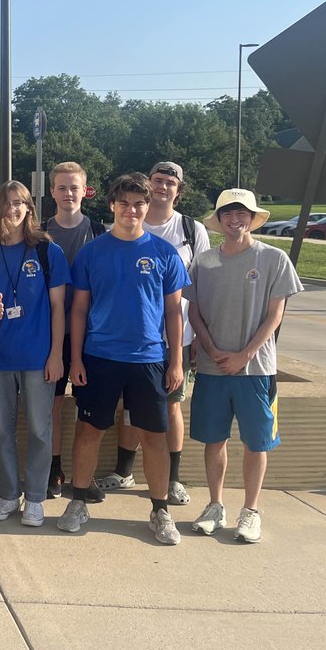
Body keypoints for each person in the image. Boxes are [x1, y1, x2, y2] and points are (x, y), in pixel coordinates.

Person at [57, 173, 188, 545]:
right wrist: (77, 360)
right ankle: (79, 502)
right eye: (125, 203)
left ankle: (160, 510)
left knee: (154, 437)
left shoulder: (165, 254)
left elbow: (175, 313)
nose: (131, 210)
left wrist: (175, 361)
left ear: (148, 207)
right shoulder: (92, 253)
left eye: (139, 204)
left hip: (148, 358)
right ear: (112, 205)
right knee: (89, 431)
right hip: (99, 356)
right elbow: (78, 311)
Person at [185, 189, 302, 543]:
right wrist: (211, 348)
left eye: (242, 214)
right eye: (227, 214)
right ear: (219, 220)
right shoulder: (203, 262)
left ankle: (250, 511)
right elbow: (194, 310)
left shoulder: (274, 258)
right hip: (211, 367)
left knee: (257, 442)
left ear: (252, 218)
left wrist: (245, 354)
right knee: (213, 439)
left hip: (256, 370)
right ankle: (215, 505)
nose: (235, 220)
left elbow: (275, 314)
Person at [97, 160, 210, 505]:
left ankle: (171, 479)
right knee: (129, 411)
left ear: (179, 189)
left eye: (170, 182)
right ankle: (124, 471)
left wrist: (195, 341)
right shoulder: (119, 227)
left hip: (176, 338)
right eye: (157, 180)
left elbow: (201, 289)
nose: (163, 187)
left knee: (170, 409)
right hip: (129, 341)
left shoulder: (191, 230)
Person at [0, 181, 70, 528]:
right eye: (5, 204)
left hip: (38, 357)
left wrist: (56, 354)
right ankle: (8, 495)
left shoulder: (48, 252)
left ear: (29, 208)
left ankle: (35, 499)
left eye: (19, 204)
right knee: (1, 431)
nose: (12, 210)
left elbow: (59, 308)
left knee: (40, 431)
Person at [42, 162, 107, 500]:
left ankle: (85, 475)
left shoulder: (100, 232)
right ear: (51, 191)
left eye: (74, 187)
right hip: (50, 335)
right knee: (51, 406)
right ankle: (53, 470)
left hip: (92, 335)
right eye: (62, 187)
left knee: (87, 407)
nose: (68, 194)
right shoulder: (36, 231)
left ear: (85, 190)